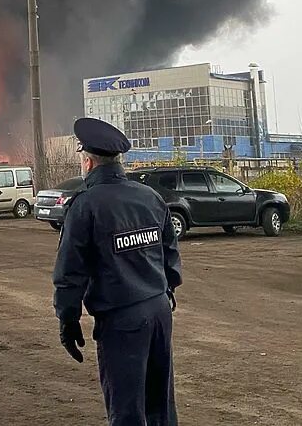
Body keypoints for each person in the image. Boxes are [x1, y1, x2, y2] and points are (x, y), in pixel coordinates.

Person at [53, 117, 183, 426]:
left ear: (88, 161)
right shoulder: (149, 196)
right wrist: (167, 289)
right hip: (160, 312)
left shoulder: (85, 205)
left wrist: (67, 319)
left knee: (126, 410)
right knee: (161, 406)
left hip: (122, 321)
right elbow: (169, 253)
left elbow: (70, 272)